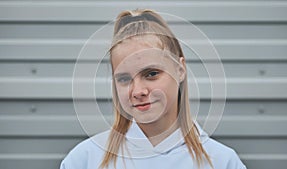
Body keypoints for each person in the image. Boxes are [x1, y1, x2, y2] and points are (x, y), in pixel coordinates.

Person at [60, 9, 246, 169]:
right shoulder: (84, 160)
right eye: (124, 79)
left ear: (180, 70)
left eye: (151, 74)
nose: (138, 91)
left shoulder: (222, 162)